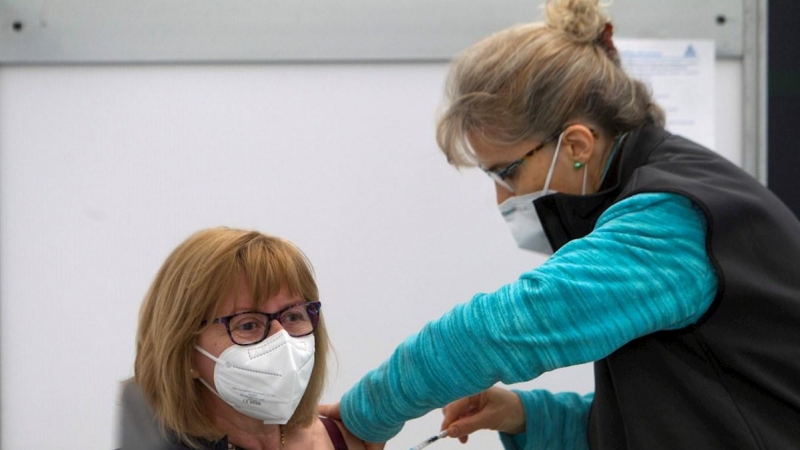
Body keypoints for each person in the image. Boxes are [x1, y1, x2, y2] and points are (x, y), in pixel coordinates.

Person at [319, 0, 800, 448]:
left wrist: (360, 419)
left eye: (506, 172)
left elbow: (497, 331)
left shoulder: (671, 222)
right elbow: (658, 423)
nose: (501, 197)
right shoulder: (660, 189)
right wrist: (523, 415)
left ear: (576, 146)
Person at [119, 227, 366, 450]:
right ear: (186, 351)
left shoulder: (345, 440)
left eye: (292, 317)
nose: (282, 340)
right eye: (248, 324)